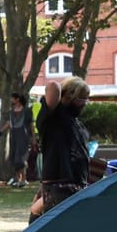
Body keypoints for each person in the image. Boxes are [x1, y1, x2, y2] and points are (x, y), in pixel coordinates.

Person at [32, 75, 93, 223]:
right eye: (81, 98)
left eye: (86, 98)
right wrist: (63, 96)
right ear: (68, 97)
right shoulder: (53, 117)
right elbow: (53, 86)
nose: (85, 103)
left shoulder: (77, 124)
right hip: (59, 185)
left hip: (76, 185)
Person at [1, 92, 33, 187]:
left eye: (12, 98)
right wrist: (1, 131)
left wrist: (33, 138)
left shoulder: (27, 111)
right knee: (14, 158)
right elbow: (9, 122)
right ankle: (18, 179)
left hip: (23, 136)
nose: (11, 100)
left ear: (17, 99)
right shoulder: (12, 111)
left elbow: (31, 125)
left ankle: (23, 179)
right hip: (13, 136)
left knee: (21, 158)